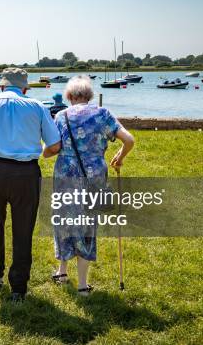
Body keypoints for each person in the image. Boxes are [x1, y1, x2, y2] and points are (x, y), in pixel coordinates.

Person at [0, 68, 61, 302]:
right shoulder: (37, 106)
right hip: (26, 172)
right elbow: (55, 145)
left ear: (2, 86)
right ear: (25, 88)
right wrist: (40, 154)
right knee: (23, 228)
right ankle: (18, 287)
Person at [43, 75, 134, 296]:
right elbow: (129, 140)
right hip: (94, 178)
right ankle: (83, 286)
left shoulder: (61, 116)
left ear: (69, 96)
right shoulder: (102, 114)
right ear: (89, 95)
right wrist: (119, 157)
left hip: (65, 177)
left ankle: (62, 272)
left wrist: (41, 154)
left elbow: (53, 147)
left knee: (64, 223)